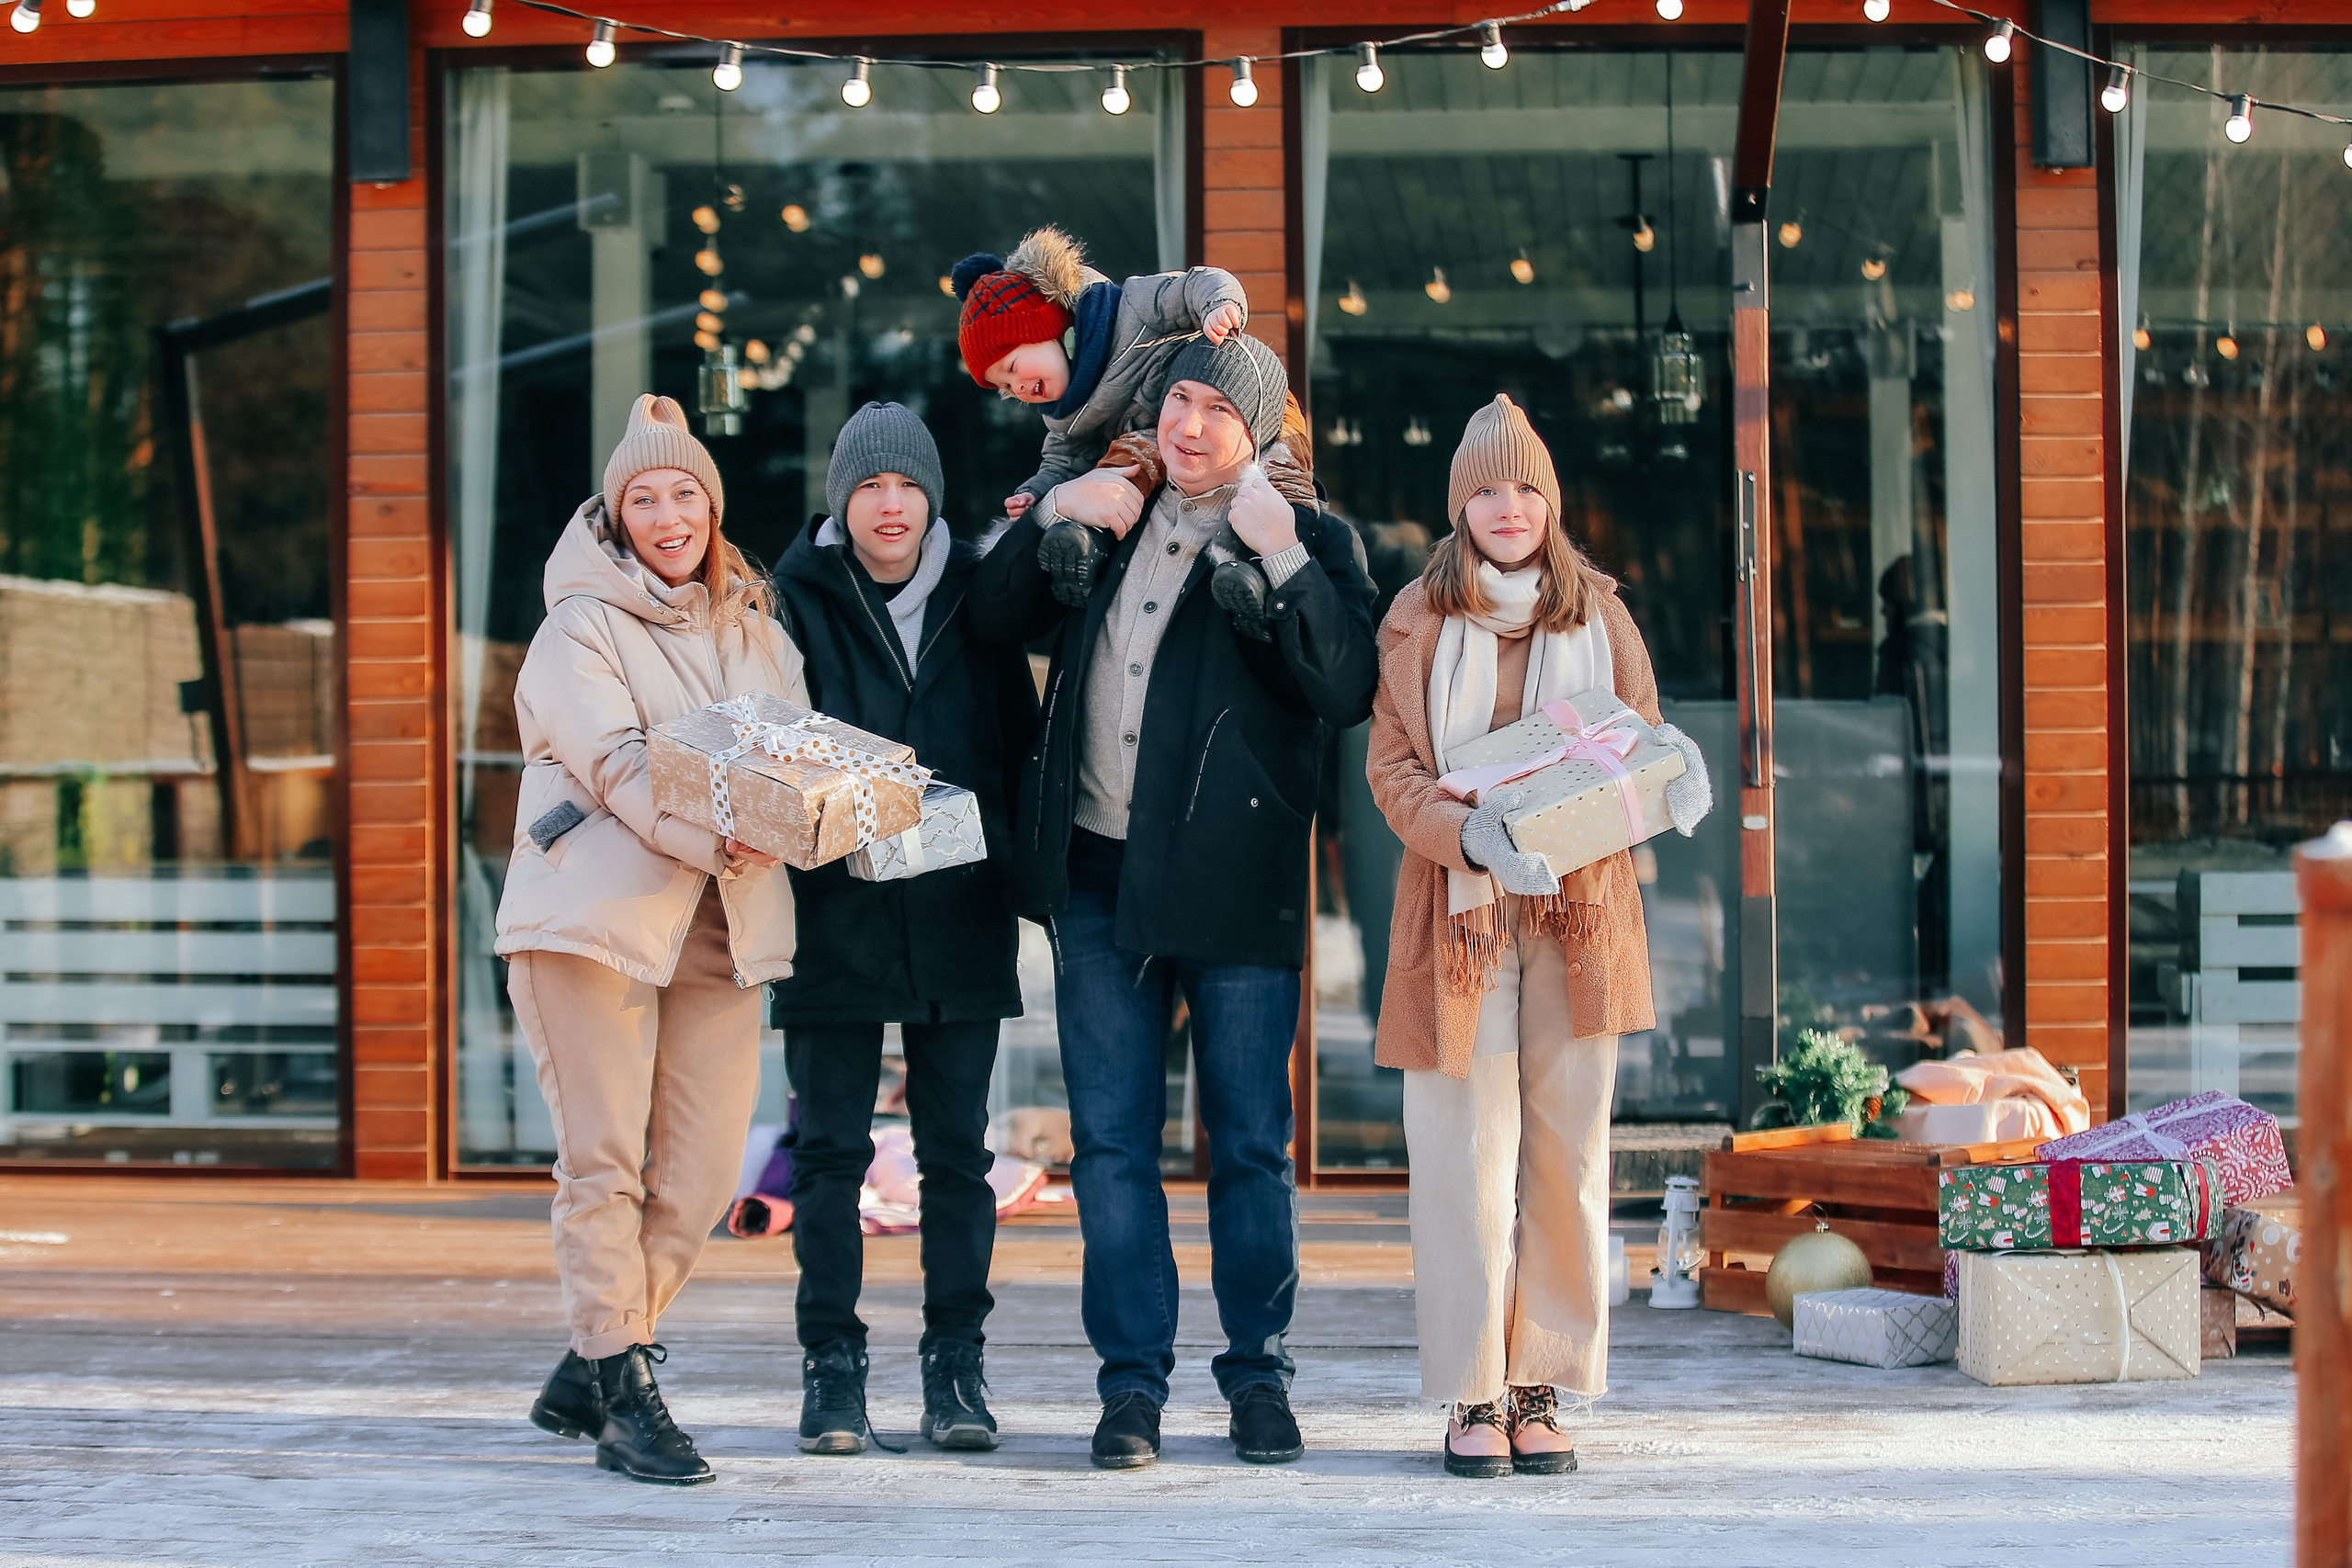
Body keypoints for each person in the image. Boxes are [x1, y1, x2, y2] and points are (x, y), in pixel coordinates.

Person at [967, 332, 1380, 1471]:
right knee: (1110, 1146)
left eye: (1216, 411)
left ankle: (1258, 1378)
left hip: (1235, 886)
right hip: (1096, 875)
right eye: (1177, 402)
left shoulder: (1309, 535)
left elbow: (1347, 686)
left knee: (1247, 1142)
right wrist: (1060, 512)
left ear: (1259, 434)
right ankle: (1130, 1389)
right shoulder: (1110, 513)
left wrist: (1283, 557)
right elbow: (994, 619)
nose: (1191, 425)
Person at [497, 393, 805, 1486]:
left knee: (701, 1181)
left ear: (712, 509)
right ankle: (624, 1395)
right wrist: (726, 825)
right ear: (615, 514)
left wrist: (793, 822)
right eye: (645, 496)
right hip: (596, 926)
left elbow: (791, 759)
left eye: (685, 493)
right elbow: (619, 764)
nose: (668, 514)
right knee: (605, 1164)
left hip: (724, 928)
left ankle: (593, 1354)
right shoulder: (576, 626)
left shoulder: (757, 627)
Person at [1366, 394, 1675, 1478]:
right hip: (1457, 918)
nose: (1509, 506)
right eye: (1488, 488)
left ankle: (1538, 1381)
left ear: (1552, 501)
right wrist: (1474, 835)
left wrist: (1645, 788)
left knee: (1565, 1154)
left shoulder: (1602, 616)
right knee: (1459, 1156)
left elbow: (1635, 747)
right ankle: (1469, 1394)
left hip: (1579, 917)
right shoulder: (1414, 618)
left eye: (1526, 486)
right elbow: (1393, 773)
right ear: (1460, 506)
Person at [766, 401, 1041, 1456]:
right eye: (871, 487)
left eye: (908, 486)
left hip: (958, 911)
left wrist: (1022, 875)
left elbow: (1018, 745)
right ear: (843, 499)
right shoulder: (791, 602)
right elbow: (773, 752)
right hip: (834, 916)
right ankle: (831, 1367)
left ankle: (954, 1365)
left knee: (955, 1159)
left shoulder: (982, 597)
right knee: (829, 1155)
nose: (891, 505)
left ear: (933, 498)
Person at [949, 225, 1280, 632]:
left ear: (1048, 329)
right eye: (1003, 386)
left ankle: (1269, 550)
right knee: (1117, 468)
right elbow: (1062, 460)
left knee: (1282, 448)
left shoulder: (1133, 308)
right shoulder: (1063, 414)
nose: (1016, 387)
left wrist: (1218, 305)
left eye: (1013, 368)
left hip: (1228, 402)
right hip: (1159, 451)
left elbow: (1197, 283)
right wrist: (1038, 494)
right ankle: (1084, 550)